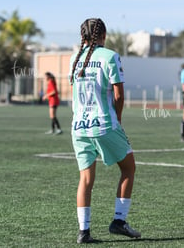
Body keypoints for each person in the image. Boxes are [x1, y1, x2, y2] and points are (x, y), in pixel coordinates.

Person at [69, 18, 141, 244]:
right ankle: (119, 221)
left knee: (86, 179)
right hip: (104, 124)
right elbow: (119, 95)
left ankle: (84, 232)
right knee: (128, 168)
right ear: (104, 35)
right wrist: (117, 119)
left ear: (83, 36)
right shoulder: (110, 56)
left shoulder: (75, 59)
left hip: (78, 127)